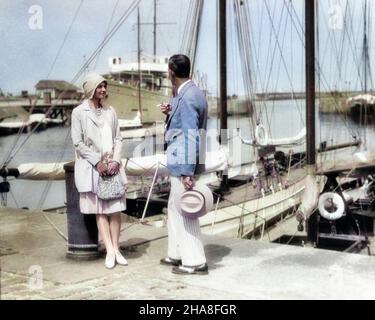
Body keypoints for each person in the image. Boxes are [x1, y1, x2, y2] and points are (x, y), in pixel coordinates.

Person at [71, 73, 128, 269]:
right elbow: (77, 142)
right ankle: (110, 250)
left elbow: (118, 138)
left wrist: (116, 161)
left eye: (104, 86)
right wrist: (97, 162)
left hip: (112, 166)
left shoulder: (110, 111)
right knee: (100, 210)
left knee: (115, 209)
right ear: (91, 89)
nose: (103, 90)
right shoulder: (79, 112)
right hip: (92, 168)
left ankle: (117, 248)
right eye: (99, 86)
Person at [160, 54, 209, 275]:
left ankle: (194, 262)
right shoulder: (191, 92)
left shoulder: (188, 97)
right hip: (180, 161)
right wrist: (171, 112)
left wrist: (188, 172)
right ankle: (176, 253)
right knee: (174, 207)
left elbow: (190, 135)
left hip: (183, 163)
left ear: (171, 72)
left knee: (184, 210)